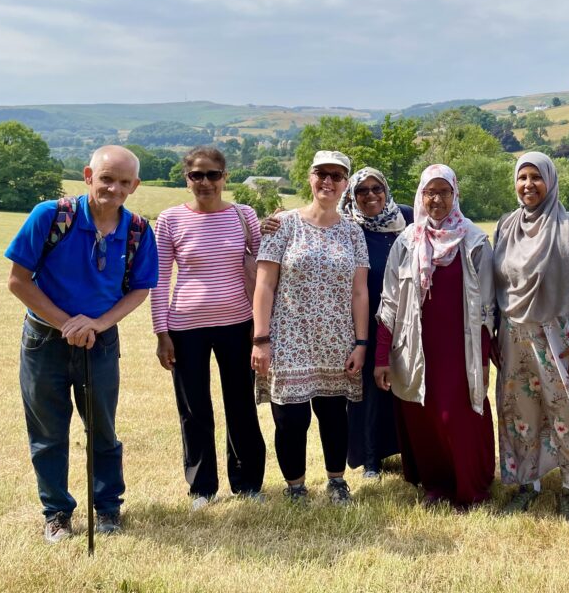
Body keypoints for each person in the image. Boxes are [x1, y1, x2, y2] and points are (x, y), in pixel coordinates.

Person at [5, 145, 159, 542]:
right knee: (48, 433)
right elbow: (18, 281)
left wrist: (98, 323)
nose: (114, 188)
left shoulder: (139, 230)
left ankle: (108, 509)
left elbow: (140, 290)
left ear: (135, 186)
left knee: (103, 431)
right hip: (44, 342)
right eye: (107, 178)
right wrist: (67, 324)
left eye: (124, 182)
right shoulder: (51, 216)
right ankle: (56, 513)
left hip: (101, 342)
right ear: (88, 176)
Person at [493, 153, 569, 521]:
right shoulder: (505, 227)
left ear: (550, 181)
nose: (528, 185)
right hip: (515, 339)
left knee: (567, 413)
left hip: (562, 341)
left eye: (536, 177)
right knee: (520, 413)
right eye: (522, 177)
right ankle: (526, 484)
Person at [150, 146, 266, 510]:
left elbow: (265, 271)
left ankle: (248, 484)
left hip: (238, 325)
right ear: (186, 179)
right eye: (196, 175)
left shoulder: (244, 216)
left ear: (225, 177)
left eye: (212, 174)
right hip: (185, 328)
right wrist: (161, 333)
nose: (205, 182)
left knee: (241, 405)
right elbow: (158, 279)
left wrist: (262, 328)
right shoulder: (169, 220)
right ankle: (201, 488)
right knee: (194, 409)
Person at [374, 164, 496, 509]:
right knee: (424, 415)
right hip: (416, 347)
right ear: (421, 196)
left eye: (444, 192)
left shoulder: (473, 240)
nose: (437, 199)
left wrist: (484, 359)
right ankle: (437, 485)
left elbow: (487, 308)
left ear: (455, 195)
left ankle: (471, 487)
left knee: (458, 417)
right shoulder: (407, 241)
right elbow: (390, 302)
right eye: (430, 192)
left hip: (461, 349)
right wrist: (383, 357)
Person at [252, 150, 369, 505]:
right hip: (288, 338)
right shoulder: (283, 224)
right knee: (290, 418)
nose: (328, 182)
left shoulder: (352, 232)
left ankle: (336, 482)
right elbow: (264, 285)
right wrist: (260, 339)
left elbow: (359, 291)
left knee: (334, 416)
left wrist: (361, 343)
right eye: (322, 174)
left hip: (337, 340)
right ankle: (295, 487)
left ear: (346, 184)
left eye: (337, 176)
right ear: (310, 177)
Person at [338, 168, 414, 478]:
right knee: (368, 390)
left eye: (376, 188)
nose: (370, 195)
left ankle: (409, 450)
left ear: (386, 189)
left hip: (407, 314)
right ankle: (371, 458)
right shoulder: (347, 226)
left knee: (405, 382)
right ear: (352, 196)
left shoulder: (407, 217)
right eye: (362, 191)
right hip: (364, 318)